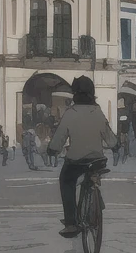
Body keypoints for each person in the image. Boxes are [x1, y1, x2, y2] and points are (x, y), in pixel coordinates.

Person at [47, 76, 118, 238]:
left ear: (75, 94)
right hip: (97, 161)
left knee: (66, 181)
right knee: (90, 176)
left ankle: (71, 222)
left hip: (75, 162)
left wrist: (52, 150)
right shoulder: (98, 112)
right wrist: (115, 146)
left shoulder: (70, 113)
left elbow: (59, 138)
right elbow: (110, 138)